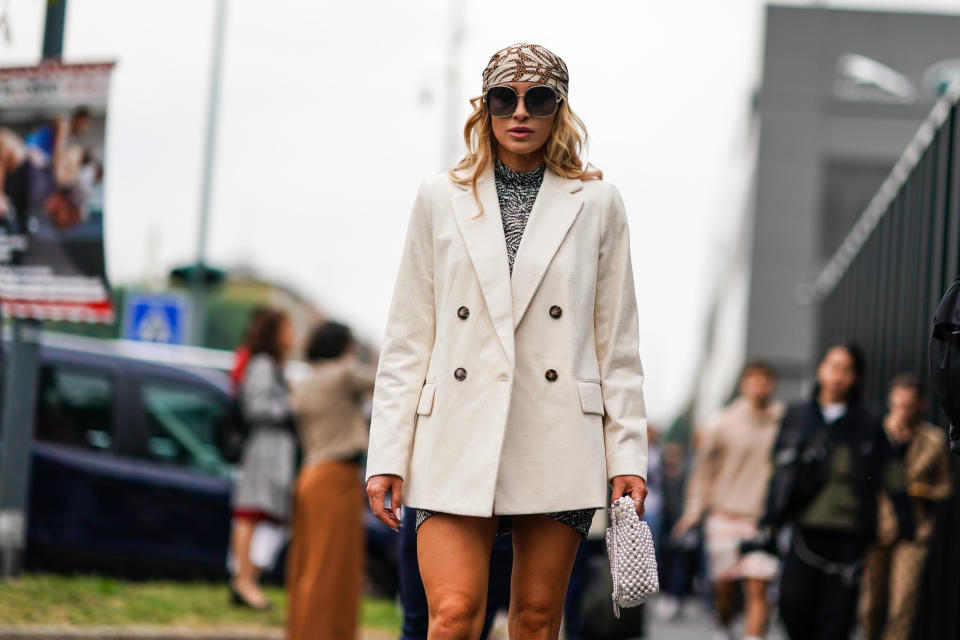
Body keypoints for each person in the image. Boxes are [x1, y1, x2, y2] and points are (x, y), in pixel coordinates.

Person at [364, 43, 649, 640]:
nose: (520, 112)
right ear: (485, 108)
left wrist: (627, 458)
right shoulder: (439, 197)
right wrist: (387, 455)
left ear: (559, 110)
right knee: (451, 616)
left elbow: (616, 346)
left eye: (537, 98)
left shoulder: (598, 203)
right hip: (456, 429)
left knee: (537, 620)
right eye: (504, 98)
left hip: (556, 434)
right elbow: (408, 337)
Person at [762, 344, 915, 640]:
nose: (838, 376)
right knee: (793, 606)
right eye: (833, 366)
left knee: (838, 618)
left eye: (847, 369)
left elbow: (891, 472)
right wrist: (769, 518)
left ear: (856, 377)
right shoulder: (797, 415)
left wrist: (905, 521)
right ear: (820, 370)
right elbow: (778, 472)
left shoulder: (869, 421)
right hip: (804, 528)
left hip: (850, 533)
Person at [673, 361, 783, 640]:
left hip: (761, 519)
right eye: (753, 380)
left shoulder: (782, 422)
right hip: (724, 514)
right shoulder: (721, 422)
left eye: (765, 380)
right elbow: (703, 471)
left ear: (773, 385)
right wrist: (693, 511)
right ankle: (723, 625)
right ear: (743, 384)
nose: (759, 386)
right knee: (725, 586)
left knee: (758, 585)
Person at [285, 321, 377, 639]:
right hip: (335, 478)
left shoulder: (306, 380)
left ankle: (304, 632)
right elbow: (388, 380)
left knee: (308, 566)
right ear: (344, 347)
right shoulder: (342, 373)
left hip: (310, 474)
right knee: (332, 568)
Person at [858, 374, 952, 640]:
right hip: (877, 526)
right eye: (897, 404)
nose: (902, 411)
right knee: (870, 603)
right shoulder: (876, 433)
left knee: (903, 603)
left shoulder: (933, 439)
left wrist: (926, 492)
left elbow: (946, 487)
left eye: (908, 405)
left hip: (914, 530)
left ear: (920, 405)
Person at [228, 308, 297, 610]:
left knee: (263, 516)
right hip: (265, 450)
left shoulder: (269, 364)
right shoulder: (264, 364)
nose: (293, 336)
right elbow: (256, 407)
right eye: (288, 328)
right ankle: (244, 581)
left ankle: (245, 580)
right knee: (251, 514)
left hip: (272, 450)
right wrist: (291, 406)